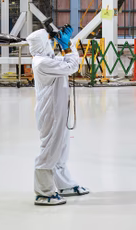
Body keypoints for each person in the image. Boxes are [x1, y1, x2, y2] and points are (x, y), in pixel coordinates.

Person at [27, 27, 89, 206]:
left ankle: (65, 185)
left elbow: (66, 60)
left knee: (61, 148)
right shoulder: (41, 63)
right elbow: (71, 66)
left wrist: (67, 45)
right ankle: (44, 192)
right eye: (48, 40)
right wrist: (67, 46)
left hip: (58, 110)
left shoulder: (47, 59)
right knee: (49, 150)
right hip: (51, 113)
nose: (51, 43)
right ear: (42, 44)